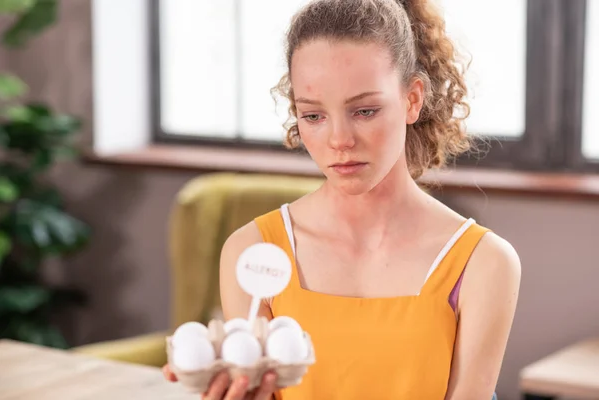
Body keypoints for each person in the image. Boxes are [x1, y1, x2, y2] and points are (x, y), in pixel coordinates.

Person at [163, 0, 522, 398]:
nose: (339, 141)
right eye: (313, 116)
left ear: (412, 99)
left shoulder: (482, 263)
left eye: (365, 110)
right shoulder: (254, 251)